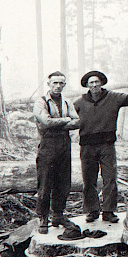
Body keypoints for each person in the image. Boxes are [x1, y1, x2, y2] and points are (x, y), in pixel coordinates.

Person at [73, 70, 128, 223]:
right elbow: (67, 117)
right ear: (87, 85)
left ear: (102, 83)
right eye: (91, 83)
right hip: (87, 146)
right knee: (88, 179)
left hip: (107, 145)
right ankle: (92, 210)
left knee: (110, 178)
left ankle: (109, 211)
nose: (94, 85)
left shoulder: (113, 98)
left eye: (97, 82)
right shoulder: (79, 103)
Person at [33, 71, 84, 240]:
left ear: (64, 85)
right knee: (45, 182)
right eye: (55, 83)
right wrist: (65, 120)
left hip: (64, 144)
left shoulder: (67, 101)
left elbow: (77, 121)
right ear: (48, 84)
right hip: (47, 145)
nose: (58, 86)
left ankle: (58, 215)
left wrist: (60, 123)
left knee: (63, 182)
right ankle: (43, 218)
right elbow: (45, 122)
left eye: (61, 83)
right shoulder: (41, 102)